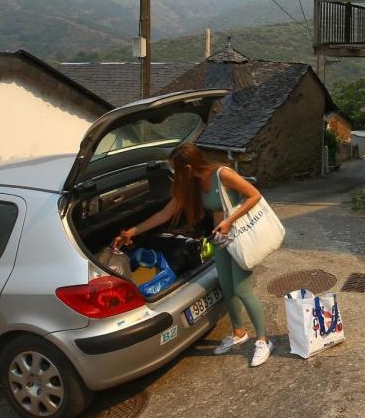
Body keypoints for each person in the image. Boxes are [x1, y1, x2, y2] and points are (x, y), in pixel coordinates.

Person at [113, 143, 274, 367]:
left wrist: (228, 221)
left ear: (188, 167)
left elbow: (254, 196)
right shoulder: (193, 185)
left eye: (177, 170)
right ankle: (238, 333)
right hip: (221, 241)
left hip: (240, 237)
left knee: (242, 290)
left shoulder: (222, 174)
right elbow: (164, 214)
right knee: (227, 288)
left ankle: (263, 341)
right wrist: (133, 230)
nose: (176, 175)